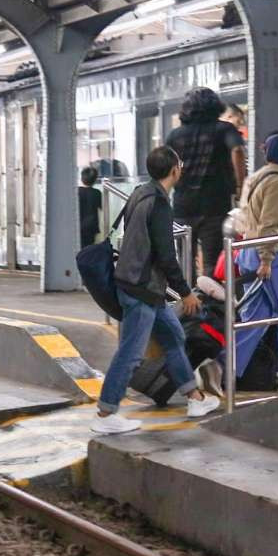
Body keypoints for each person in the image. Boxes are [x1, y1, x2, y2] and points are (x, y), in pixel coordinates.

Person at [93, 146, 219, 434]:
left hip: (143, 286)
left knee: (174, 336)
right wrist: (185, 292)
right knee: (131, 353)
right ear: (175, 170)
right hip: (141, 289)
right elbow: (166, 256)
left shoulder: (141, 192)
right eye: (180, 164)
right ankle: (105, 412)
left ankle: (195, 398)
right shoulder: (160, 205)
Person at [229, 133, 278, 393]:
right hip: (276, 257)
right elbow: (270, 224)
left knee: (257, 319)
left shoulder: (258, 178)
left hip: (251, 252)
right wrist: (267, 259)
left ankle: (221, 368)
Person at [167, 87, 246, 276]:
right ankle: (210, 302)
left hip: (183, 205)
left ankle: (188, 300)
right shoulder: (224, 129)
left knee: (185, 259)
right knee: (212, 260)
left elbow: (166, 164)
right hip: (214, 204)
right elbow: (237, 150)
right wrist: (240, 185)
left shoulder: (174, 135)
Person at [78, 166, 102, 249]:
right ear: (95, 180)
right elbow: (101, 208)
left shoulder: (77, 192)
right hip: (92, 228)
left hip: (79, 226)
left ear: (81, 178)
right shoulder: (97, 193)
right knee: (89, 251)